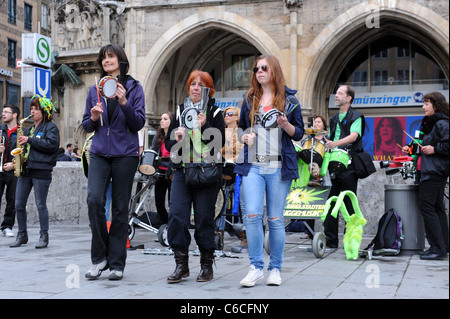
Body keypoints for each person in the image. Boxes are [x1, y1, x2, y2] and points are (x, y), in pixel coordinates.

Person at [235, 55, 304, 287]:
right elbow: (240, 129)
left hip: (278, 166)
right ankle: (255, 267)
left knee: (275, 219)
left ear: (274, 70)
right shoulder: (249, 99)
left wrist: (286, 125)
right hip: (253, 165)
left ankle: (275, 268)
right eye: (256, 68)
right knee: (252, 215)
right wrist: (244, 136)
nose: (259, 71)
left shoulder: (290, 100)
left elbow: (300, 133)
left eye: (264, 68)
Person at [82, 44, 145, 280]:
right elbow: (87, 125)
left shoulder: (134, 88)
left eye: (110, 56)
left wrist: (124, 102)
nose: (106, 60)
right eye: (103, 58)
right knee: (93, 200)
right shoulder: (94, 90)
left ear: (121, 60)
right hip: (99, 152)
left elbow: (138, 123)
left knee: (119, 209)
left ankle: (117, 263)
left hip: (125, 155)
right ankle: (100, 258)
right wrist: (93, 117)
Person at [165, 70, 225, 283]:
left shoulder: (215, 113)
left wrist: (204, 126)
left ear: (209, 89)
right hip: (182, 171)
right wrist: (177, 138)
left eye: (201, 84)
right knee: (177, 217)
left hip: (206, 173)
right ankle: (181, 265)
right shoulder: (180, 112)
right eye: (192, 84)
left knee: (203, 220)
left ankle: (206, 265)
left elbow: (219, 144)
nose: (195, 88)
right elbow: (168, 145)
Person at [402, 92, 449, 260]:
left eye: (426, 104)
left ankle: (437, 248)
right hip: (428, 171)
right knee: (437, 208)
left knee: (427, 207)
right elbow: (420, 145)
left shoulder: (442, 123)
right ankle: (443, 245)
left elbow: (446, 146)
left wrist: (435, 149)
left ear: (435, 105)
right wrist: (409, 148)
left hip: (435, 172)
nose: (423, 107)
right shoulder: (428, 124)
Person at [10, 95, 60, 249]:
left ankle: (44, 236)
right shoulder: (30, 128)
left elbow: (51, 146)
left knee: (40, 205)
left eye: (35, 109)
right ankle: (22, 234)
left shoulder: (51, 127)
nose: (32, 111)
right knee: (18, 204)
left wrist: (30, 140)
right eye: (31, 108)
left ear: (44, 111)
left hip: (42, 170)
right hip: (26, 169)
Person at [323, 84, 365, 249]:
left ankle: (351, 242)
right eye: (336, 92)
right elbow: (330, 138)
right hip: (334, 166)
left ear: (349, 98)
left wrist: (334, 144)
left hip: (349, 166)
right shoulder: (333, 118)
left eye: (340, 93)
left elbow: (354, 137)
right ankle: (331, 242)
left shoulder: (357, 116)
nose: (336, 95)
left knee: (349, 204)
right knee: (330, 204)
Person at [0, 105, 19, 237]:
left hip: (13, 170)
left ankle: (7, 226)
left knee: (12, 199)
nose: (3, 114)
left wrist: (13, 165)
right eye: (3, 112)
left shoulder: (22, 131)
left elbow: (24, 153)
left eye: (7, 112)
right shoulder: (0, 130)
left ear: (15, 115)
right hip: (0, 169)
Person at [151, 111, 173, 225]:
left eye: (165, 119)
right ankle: (165, 226)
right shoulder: (158, 136)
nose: (162, 121)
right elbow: (153, 152)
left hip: (172, 173)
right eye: (161, 119)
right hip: (159, 172)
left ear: (171, 121)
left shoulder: (175, 136)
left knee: (172, 203)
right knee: (159, 203)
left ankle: (171, 228)